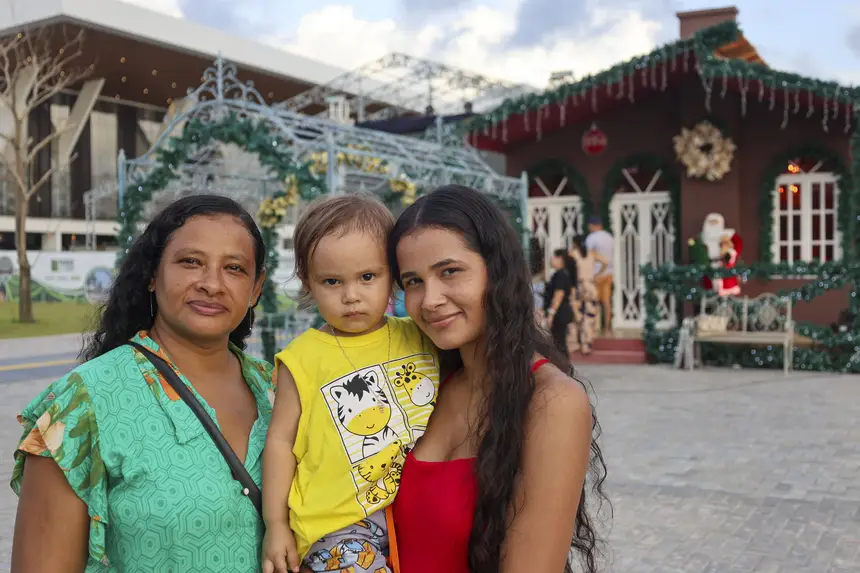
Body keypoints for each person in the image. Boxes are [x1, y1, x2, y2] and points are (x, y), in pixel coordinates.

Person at [9, 195, 274, 572]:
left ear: (256, 287)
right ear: (153, 273)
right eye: (191, 262)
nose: (212, 284)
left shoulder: (279, 390)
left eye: (234, 268)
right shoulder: (81, 404)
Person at [388, 185, 608, 573]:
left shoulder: (551, 401)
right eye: (413, 281)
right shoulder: (422, 386)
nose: (430, 299)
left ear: (497, 270)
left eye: (449, 272)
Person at [261, 194, 440, 573]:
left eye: (368, 277)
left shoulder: (421, 335)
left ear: (393, 275)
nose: (351, 295)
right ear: (308, 282)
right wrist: (276, 524)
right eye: (332, 281)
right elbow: (279, 443)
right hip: (336, 525)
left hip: (412, 514)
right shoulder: (303, 357)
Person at [568, 235, 607, 355]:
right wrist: (597, 274)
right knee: (589, 315)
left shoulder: (573, 254)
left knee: (578, 315)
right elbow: (606, 262)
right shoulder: (592, 253)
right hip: (590, 286)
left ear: (575, 243)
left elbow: (569, 270)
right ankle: (587, 343)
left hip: (579, 286)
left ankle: (578, 343)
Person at [585, 215, 613, 334]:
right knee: (606, 302)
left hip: (596, 273)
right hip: (609, 273)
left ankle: (594, 329)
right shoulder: (609, 237)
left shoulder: (592, 238)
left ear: (593, 225)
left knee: (593, 301)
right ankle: (607, 328)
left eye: (590, 225)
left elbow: (590, 255)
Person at [544, 248, 576, 355]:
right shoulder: (561, 274)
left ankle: (563, 367)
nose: (551, 259)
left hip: (560, 312)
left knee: (559, 342)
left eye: (554, 257)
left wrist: (551, 314)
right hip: (562, 311)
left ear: (560, 259)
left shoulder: (561, 275)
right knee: (559, 341)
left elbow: (559, 295)